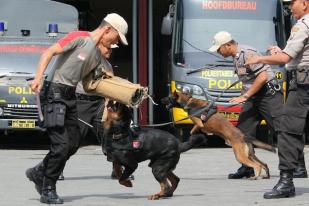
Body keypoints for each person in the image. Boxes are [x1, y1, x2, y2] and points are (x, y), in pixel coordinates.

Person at [26, 13, 128, 204]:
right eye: (117, 37)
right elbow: (48, 52)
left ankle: (39, 171)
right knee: (61, 144)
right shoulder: (79, 37)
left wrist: (129, 92)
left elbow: (103, 82)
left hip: (70, 95)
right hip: (54, 92)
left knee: (72, 143)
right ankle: (48, 188)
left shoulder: (97, 56)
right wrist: (38, 77)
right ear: (108, 29)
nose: (117, 42)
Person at [245, 0, 309, 198]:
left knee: (287, 130)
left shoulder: (303, 24)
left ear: (305, 3)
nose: (290, 7)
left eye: (292, 3)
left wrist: (259, 59)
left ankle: (286, 182)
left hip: (302, 86)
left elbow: (285, 59)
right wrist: (279, 52)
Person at [208, 31, 284, 179]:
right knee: (242, 132)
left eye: (219, 49)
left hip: (268, 96)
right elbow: (249, 80)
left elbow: (262, 77)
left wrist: (245, 96)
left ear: (228, 45)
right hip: (253, 97)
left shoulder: (248, 53)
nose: (218, 52)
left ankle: (297, 166)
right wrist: (244, 95)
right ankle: (248, 166)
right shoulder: (236, 57)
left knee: (282, 130)